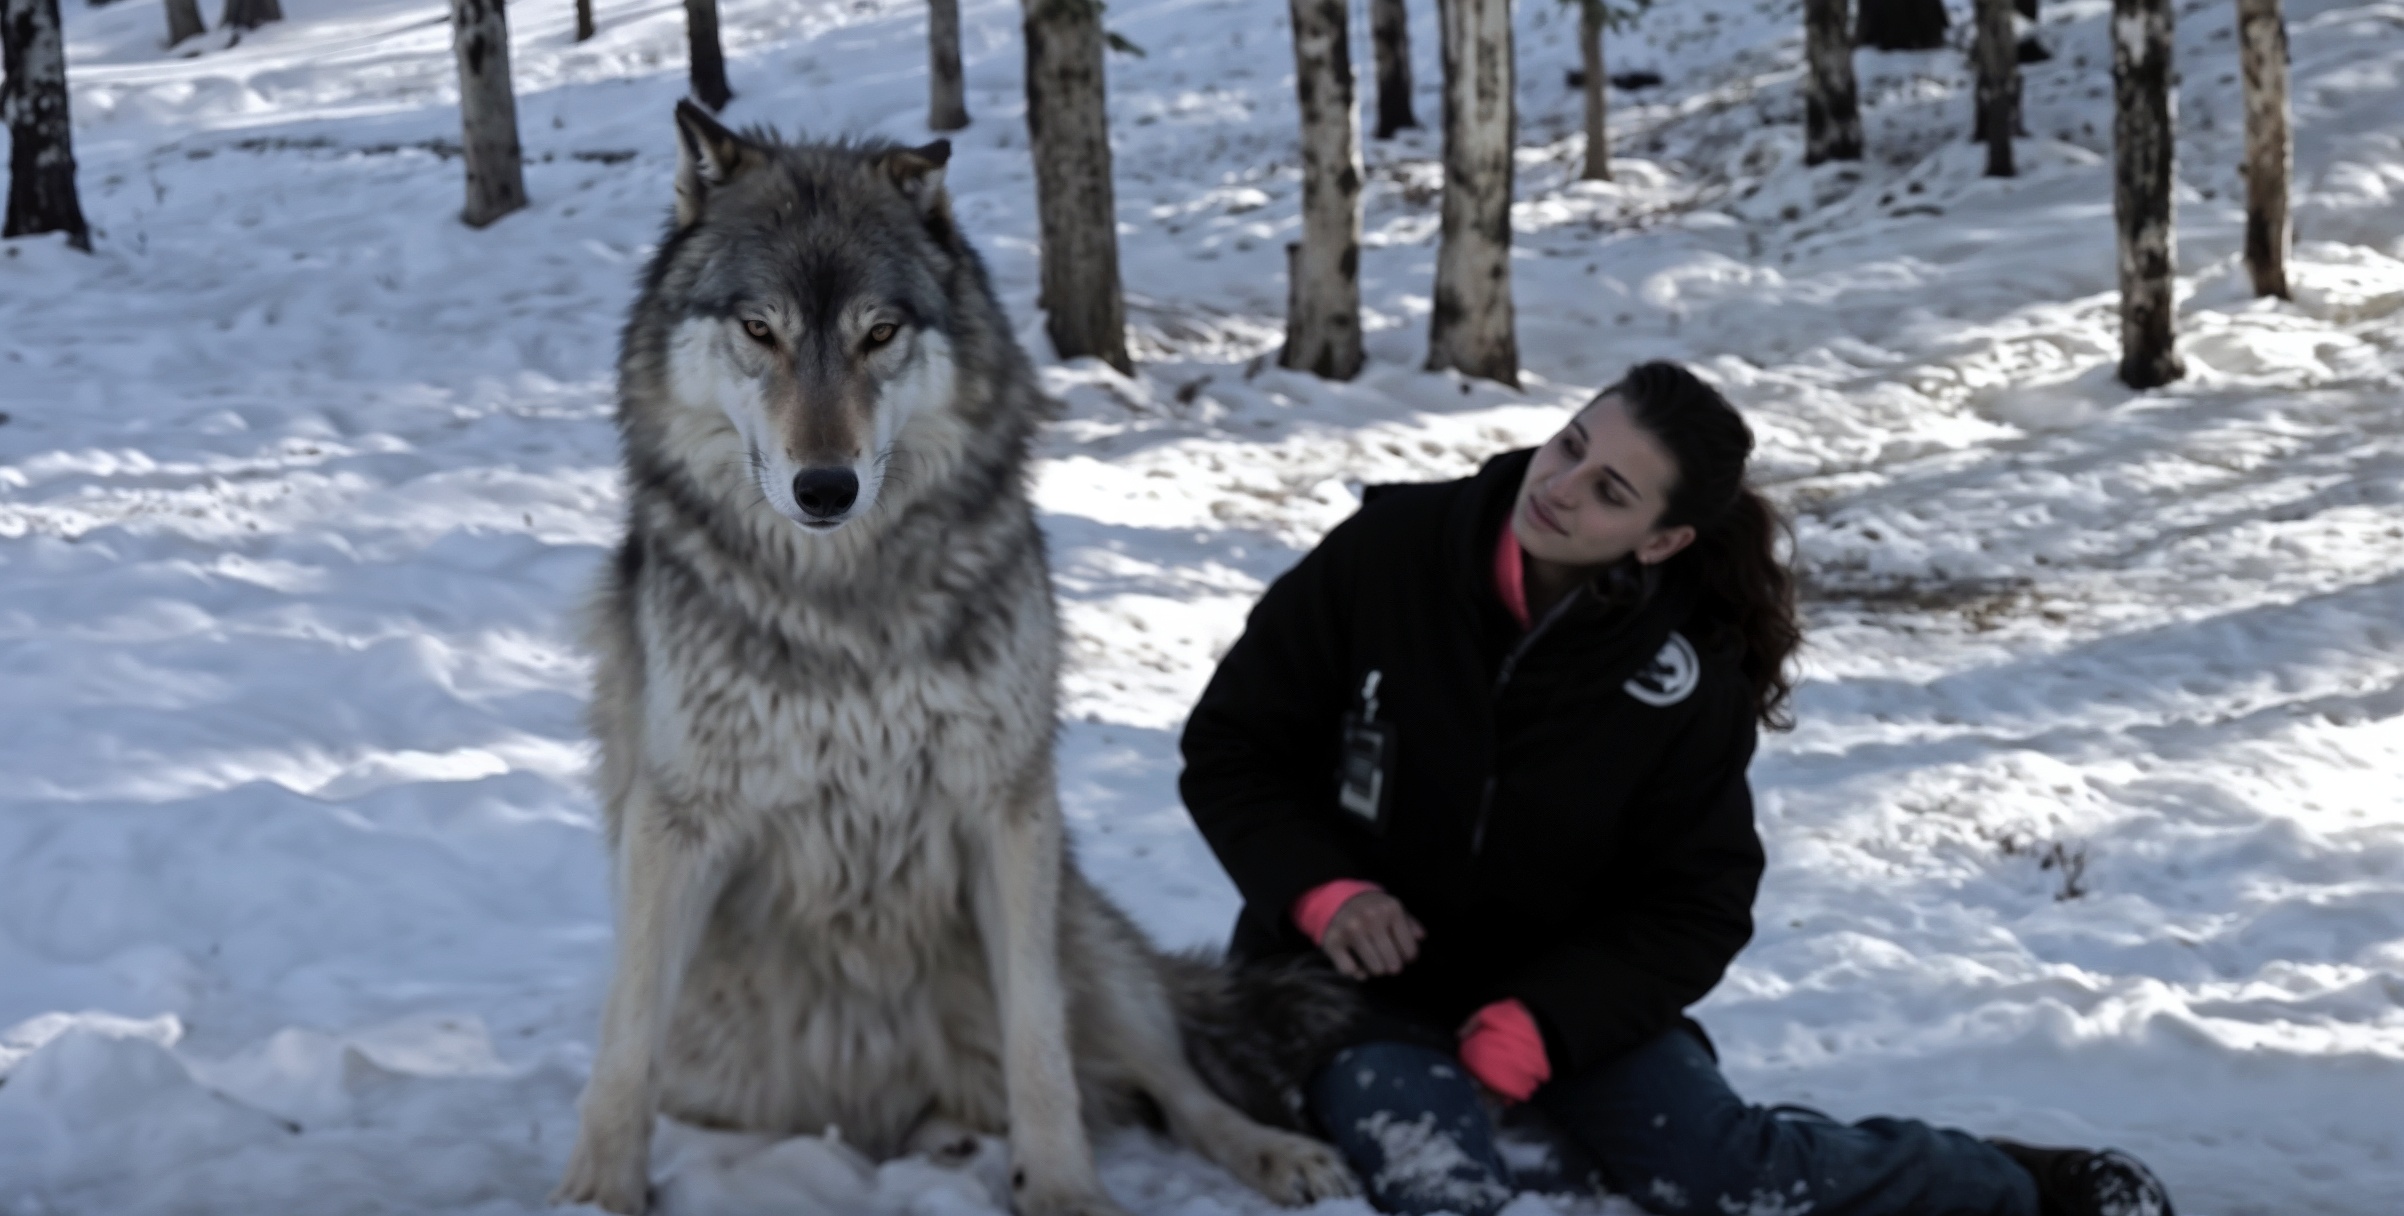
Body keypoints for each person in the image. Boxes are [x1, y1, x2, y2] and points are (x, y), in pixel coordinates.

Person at [1178, 363, 2174, 1216]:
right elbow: (1232, 747)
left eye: (1610, 490)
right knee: (1436, 1184)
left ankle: (2016, 1182)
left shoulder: (1686, 673)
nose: (1560, 487)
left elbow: (1698, 899)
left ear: (1660, 540)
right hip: (1346, 994)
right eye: (1569, 445)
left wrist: (1547, 1021)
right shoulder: (1390, 551)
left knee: (1725, 1173)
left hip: (1571, 1004)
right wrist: (1323, 891)